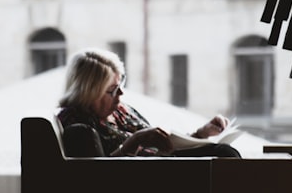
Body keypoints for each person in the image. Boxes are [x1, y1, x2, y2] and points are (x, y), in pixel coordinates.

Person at [56, 47, 241, 159]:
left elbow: (164, 143)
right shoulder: (77, 123)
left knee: (224, 153)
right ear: (88, 92)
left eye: (120, 85)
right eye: (111, 90)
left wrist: (201, 133)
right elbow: (97, 177)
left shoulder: (120, 111)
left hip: (167, 162)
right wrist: (134, 141)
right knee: (224, 156)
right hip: (150, 180)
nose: (120, 94)